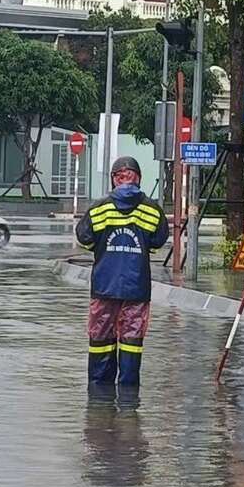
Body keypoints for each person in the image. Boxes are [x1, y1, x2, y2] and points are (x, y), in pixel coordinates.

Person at [75, 156, 170, 387]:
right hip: (137, 288)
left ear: (114, 179)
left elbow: (84, 239)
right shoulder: (152, 210)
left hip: (104, 286)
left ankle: (98, 391)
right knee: (132, 340)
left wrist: (102, 248)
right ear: (138, 178)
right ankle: (128, 392)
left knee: (100, 337)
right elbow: (157, 242)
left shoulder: (99, 208)